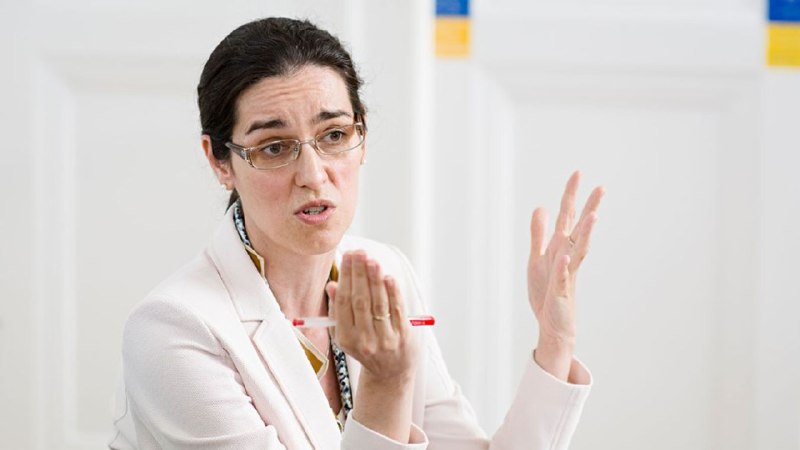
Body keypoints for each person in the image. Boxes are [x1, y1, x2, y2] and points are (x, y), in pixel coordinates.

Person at [109, 17, 605, 450]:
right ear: (220, 161)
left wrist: (555, 340)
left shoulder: (385, 272)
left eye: (334, 135)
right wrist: (387, 384)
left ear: (361, 137)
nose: (313, 175)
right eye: (274, 147)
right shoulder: (173, 330)